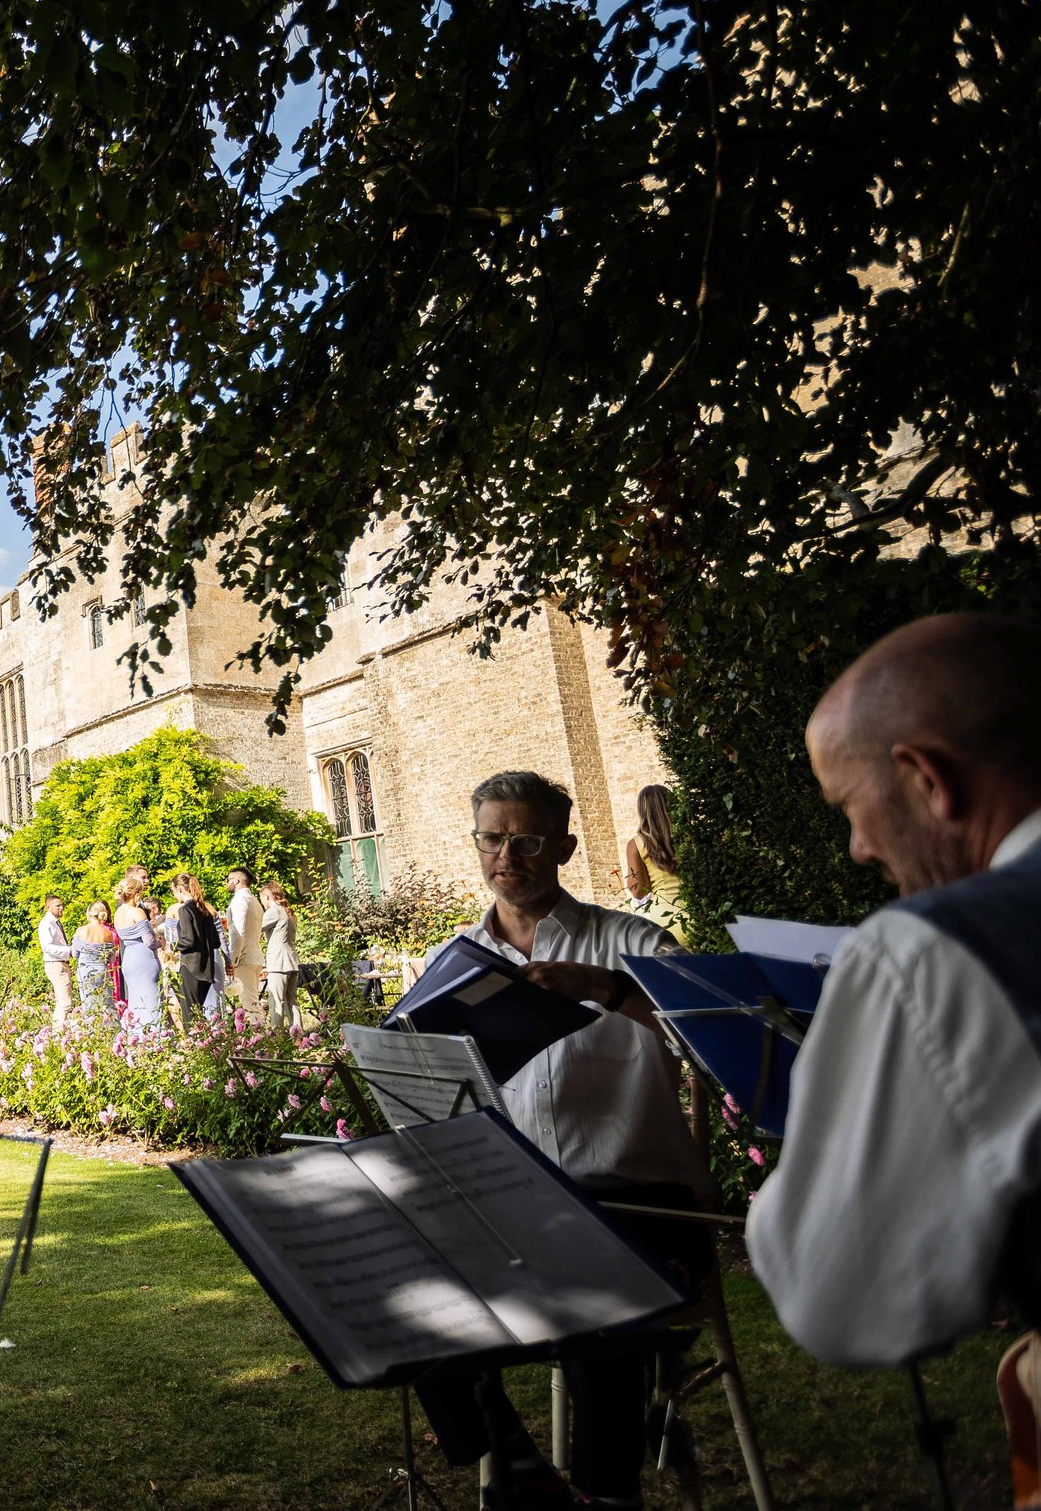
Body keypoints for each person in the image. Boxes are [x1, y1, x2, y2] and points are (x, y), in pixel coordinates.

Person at [747, 615, 1041, 1391]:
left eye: (849, 807)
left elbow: (841, 1296)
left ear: (926, 778)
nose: (859, 849)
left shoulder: (932, 952)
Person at [411, 769, 710, 1510]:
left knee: (596, 1264)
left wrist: (608, 988)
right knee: (401, 1274)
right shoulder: (454, 961)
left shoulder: (632, 940)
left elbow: (710, 1037)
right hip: (517, 1204)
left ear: (565, 846)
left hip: (642, 1203)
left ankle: (609, 1492)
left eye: (526, 838)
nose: (505, 854)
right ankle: (520, 1469)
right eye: (491, 837)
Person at [619, 784, 688, 935]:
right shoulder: (689, 834)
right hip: (702, 914)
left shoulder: (636, 845)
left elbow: (638, 892)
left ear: (642, 811)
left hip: (668, 922)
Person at [166, 874, 225, 1021]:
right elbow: (216, 942)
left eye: (173, 891)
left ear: (179, 889)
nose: (174, 895)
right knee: (197, 1012)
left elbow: (188, 940)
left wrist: (172, 948)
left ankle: (194, 1043)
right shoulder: (204, 909)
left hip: (191, 967)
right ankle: (204, 1041)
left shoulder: (185, 910)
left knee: (189, 1015)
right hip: (207, 969)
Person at [113, 880, 163, 1029]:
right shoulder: (137, 911)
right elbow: (149, 941)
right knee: (151, 999)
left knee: (135, 999)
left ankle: (137, 1034)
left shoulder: (118, 912)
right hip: (143, 959)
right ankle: (152, 1034)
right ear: (135, 893)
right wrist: (163, 942)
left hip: (129, 958)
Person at [259, 882, 300, 1029]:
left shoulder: (273, 911)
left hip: (278, 962)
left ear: (267, 896)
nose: (262, 903)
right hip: (291, 961)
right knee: (291, 1002)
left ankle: (277, 1039)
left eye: (262, 899)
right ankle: (299, 1038)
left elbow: (256, 928)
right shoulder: (287, 912)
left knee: (276, 1001)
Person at [225, 868, 264, 1012]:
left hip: (244, 958)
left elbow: (237, 932)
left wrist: (232, 960)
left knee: (250, 1005)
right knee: (254, 1002)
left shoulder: (239, 900)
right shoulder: (254, 900)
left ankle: (260, 1034)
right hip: (255, 955)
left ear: (237, 880)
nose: (227, 883)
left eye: (228, 880)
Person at [72, 901, 118, 1017]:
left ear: (89, 913)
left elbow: (74, 953)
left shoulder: (81, 930)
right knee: (106, 1003)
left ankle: (92, 1027)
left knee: (88, 1002)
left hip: (85, 971)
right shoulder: (108, 934)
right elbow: (112, 959)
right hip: (102, 971)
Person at [37, 894, 76, 1027]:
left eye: (61, 904)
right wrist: (68, 950)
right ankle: (58, 1033)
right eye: (57, 905)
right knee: (65, 1002)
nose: (61, 908)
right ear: (48, 907)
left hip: (61, 963)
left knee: (62, 1000)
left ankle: (59, 1032)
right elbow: (47, 947)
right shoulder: (46, 924)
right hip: (56, 964)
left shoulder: (54, 922)